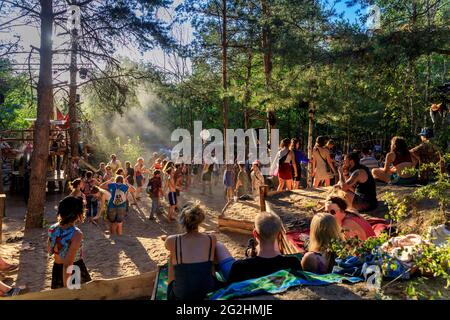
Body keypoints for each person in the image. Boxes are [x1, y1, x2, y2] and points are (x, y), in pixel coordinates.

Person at [216, 211, 302, 284]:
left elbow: (231, 290)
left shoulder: (240, 267)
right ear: (279, 234)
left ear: (255, 234)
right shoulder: (293, 263)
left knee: (218, 245)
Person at [165, 202, 220, 300]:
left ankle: (170, 286)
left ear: (182, 221)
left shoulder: (172, 240)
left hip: (182, 294)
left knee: (171, 257)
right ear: (200, 220)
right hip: (208, 290)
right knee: (210, 254)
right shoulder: (212, 238)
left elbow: (168, 247)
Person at [48, 196, 92, 289]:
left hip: (57, 269)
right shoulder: (76, 234)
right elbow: (68, 265)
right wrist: (66, 288)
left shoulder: (52, 228)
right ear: (79, 214)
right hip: (73, 270)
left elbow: (50, 250)